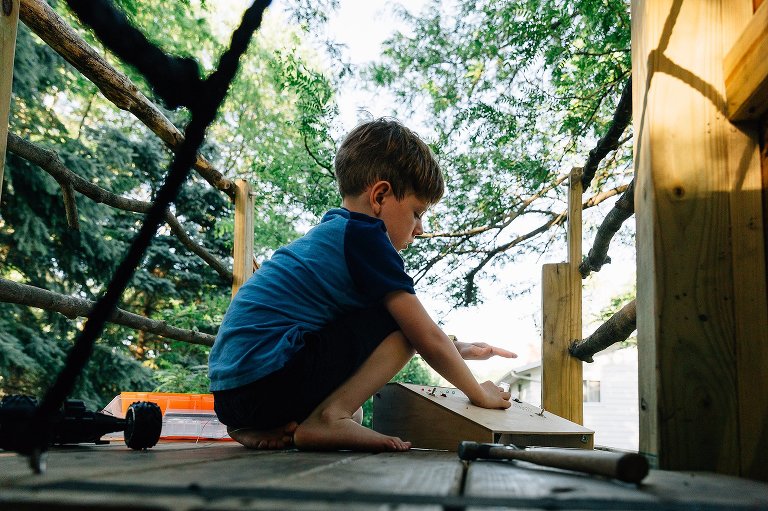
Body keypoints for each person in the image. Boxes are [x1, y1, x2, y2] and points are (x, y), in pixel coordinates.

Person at [208, 118, 516, 452]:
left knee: (357, 410)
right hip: (269, 381)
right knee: (395, 331)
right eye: (417, 212)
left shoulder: (335, 234)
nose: (420, 229)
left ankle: (259, 428)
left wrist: (460, 347)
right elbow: (421, 334)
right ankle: (329, 417)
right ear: (381, 195)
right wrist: (478, 392)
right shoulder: (366, 238)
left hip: (232, 397)